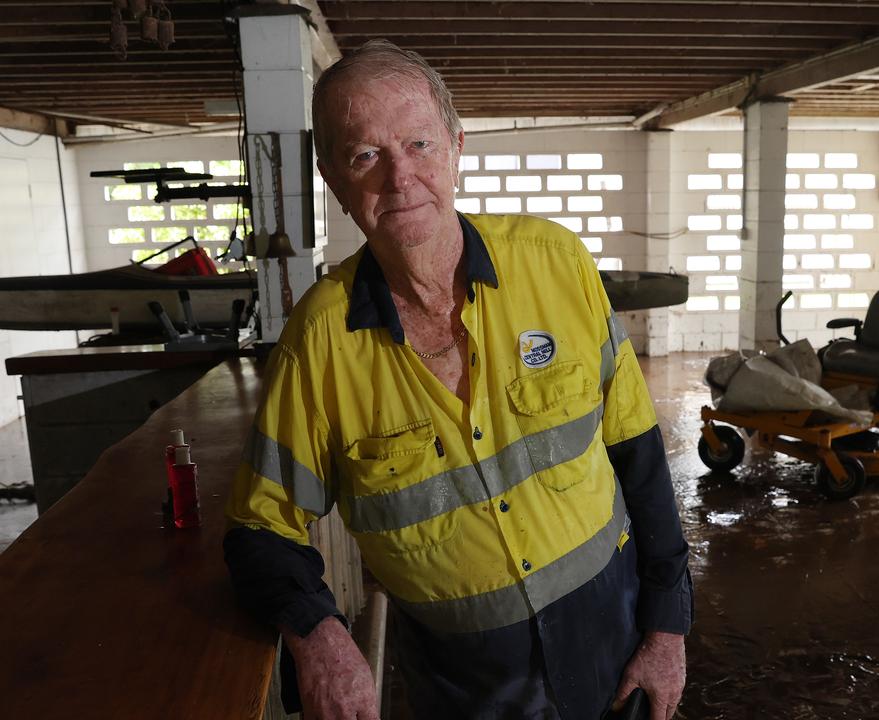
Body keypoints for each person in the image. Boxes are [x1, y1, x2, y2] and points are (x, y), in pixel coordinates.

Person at [223, 40, 692, 720]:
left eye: (419, 144)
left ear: (456, 146)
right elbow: (258, 530)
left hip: (613, 643)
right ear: (332, 178)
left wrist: (668, 626)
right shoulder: (318, 343)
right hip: (463, 686)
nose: (400, 178)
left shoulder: (555, 262)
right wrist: (318, 635)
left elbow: (639, 456)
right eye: (365, 156)